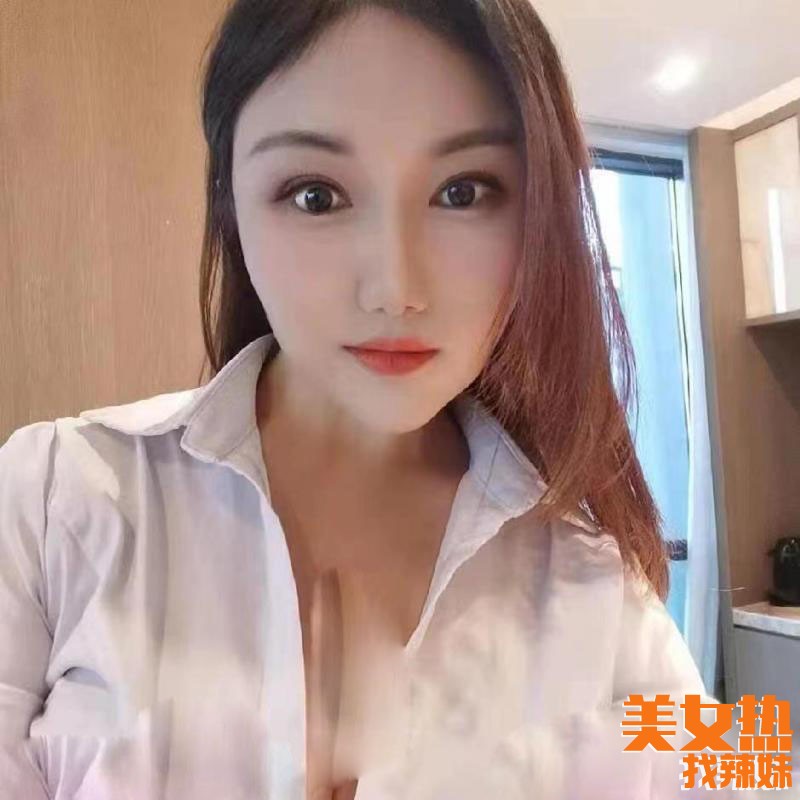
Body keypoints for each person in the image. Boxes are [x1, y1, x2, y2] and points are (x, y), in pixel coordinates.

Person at [0, 1, 747, 799]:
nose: (395, 287)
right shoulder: (55, 499)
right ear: (231, 206)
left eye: (464, 192)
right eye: (316, 195)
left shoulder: (598, 590)